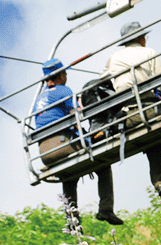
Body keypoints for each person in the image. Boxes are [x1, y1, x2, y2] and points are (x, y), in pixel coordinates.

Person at [101, 21, 161, 200]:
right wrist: (159, 98)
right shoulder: (149, 52)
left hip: (126, 117)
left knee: (152, 143)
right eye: (144, 36)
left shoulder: (113, 58)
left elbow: (102, 82)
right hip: (149, 109)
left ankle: (160, 184)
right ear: (139, 37)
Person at [34, 58, 123, 225]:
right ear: (60, 75)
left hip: (44, 153)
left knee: (68, 174)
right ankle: (106, 209)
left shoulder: (38, 99)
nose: (66, 76)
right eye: (65, 73)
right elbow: (78, 115)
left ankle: (72, 219)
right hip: (62, 145)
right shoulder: (62, 90)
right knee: (102, 163)